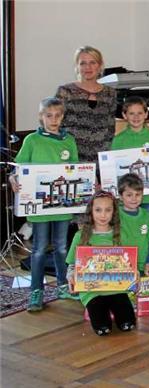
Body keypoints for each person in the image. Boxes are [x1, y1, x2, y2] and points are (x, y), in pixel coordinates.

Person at [9, 97, 79, 310]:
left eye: (58, 115)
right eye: (49, 115)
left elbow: (76, 170)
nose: (54, 119)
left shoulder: (69, 141)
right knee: (39, 249)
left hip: (63, 207)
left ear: (63, 117)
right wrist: (14, 179)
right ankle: (36, 291)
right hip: (39, 208)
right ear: (41, 117)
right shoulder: (31, 140)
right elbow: (17, 168)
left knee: (61, 247)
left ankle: (62, 285)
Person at [65, 192, 136, 336]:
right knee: (103, 327)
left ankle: (116, 311)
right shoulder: (80, 236)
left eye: (108, 210)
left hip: (118, 288)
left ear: (114, 212)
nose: (103, 215)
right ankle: (96, 311)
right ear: (91, 211)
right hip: (92, 291)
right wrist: (71, 277)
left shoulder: (121, 234)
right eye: (98, 210)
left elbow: (130, 262)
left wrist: (137, 274)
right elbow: (72, 264)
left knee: (128, 324)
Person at [55, 46, 116, 164]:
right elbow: (55, 124)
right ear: (77, 67)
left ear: (100, 66)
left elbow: (110, 128)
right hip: (71, 157)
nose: (88, 67)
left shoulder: (110, 93)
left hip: (101, 159)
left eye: (92, 62)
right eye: (83, 63)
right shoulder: (65, 91)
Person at [110, 96, 149, 221]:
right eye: (131, 113)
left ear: (146, 114)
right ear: (124, 115)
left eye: (140, 113)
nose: (136, 117)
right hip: (127, 196)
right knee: (127, 230)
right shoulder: (118, 140)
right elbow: (113, 168)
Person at [117, 174, 149, 276]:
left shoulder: (148, 217)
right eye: (129, 195)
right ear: (120, 197)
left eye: (138, 194)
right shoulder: (114, 215)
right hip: (121, 268)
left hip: (143, 267)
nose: (134, 198)